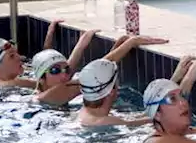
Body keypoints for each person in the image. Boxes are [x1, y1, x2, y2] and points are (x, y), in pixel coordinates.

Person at [32, 31, 167, 107]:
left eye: (67, 70)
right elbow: (95, 75)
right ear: (41, 79)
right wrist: (131, 43)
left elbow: (96, 73)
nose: (64, 76)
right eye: (55, 71)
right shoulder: (48, 96)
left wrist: (118, 48)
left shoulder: (49, 91)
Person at [74, 58, 151, 128]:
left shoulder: (85, 112)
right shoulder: (103, 121)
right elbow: (131, 124)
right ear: (111, 91)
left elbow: (128, 120)